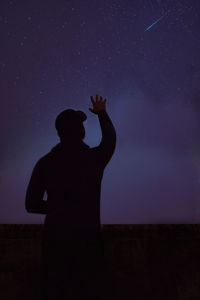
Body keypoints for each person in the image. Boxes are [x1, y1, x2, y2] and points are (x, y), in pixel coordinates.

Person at [25, 94, 117, 300]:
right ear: (81, 131)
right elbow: (110, 140)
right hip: (88, 244)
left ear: (60, 133)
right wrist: (102, 113)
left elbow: (31, 204)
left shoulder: (45, 163)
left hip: (55, 245)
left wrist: (58, 207)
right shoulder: (93, 159)